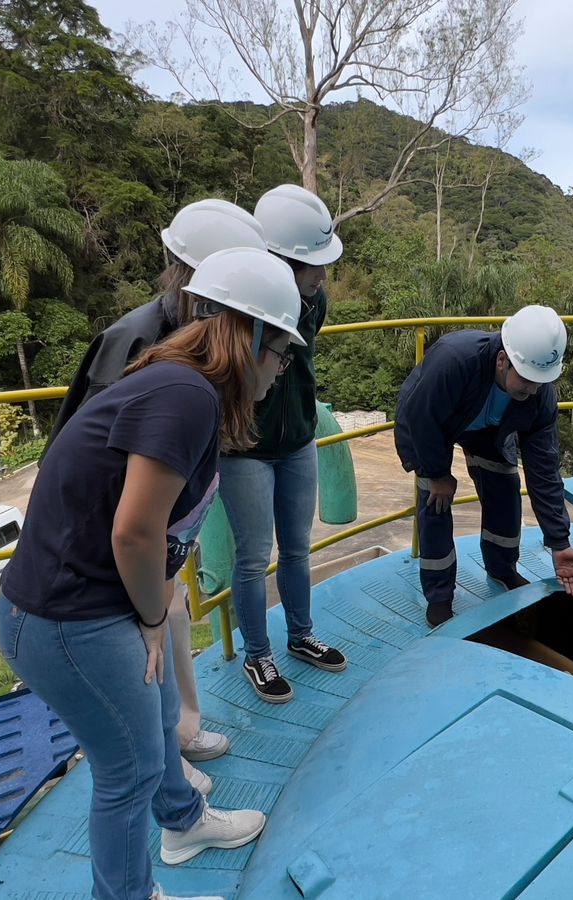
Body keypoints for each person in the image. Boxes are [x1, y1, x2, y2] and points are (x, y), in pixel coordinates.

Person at [0, 247, 304, 900]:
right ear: (246, 337)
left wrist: (154, 609)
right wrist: (152, 616)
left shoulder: (183, 387)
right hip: (67, 618)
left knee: (161, 712)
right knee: (127, 770)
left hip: (94, 605)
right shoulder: (184, 395)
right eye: (281, 352)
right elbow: (134, 530)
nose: (282, 370)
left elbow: (159, 529)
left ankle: (184, 825)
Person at [46, 198, 267, 791]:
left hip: (165, 523)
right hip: (113, 536)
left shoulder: (203, 334)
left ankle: (182, 729)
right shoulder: (138, 337)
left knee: (172, 612)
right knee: (147, 625)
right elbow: (100, 465)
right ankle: (165, 758)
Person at [220, 185, 347, 704]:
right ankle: (257, 654)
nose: (321, 275)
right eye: (309, 266)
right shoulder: (235, 306)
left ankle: (299, 636)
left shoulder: (313, 300)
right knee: (253, 557)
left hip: (297, 439)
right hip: (245, 448)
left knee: (297, 546)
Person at [393, 305, 573, 626]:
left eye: (541, 382)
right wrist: (437, 473)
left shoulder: (538, 395)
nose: (533, 389)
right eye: (527, 380)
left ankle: (502, 569)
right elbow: (420, 417)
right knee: (436, 499)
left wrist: (559, 542)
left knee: (505, 485)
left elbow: (545, 470)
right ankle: (440, 595)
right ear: (502, 361)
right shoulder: (455, 361)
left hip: (490, 431)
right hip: (432, 425)